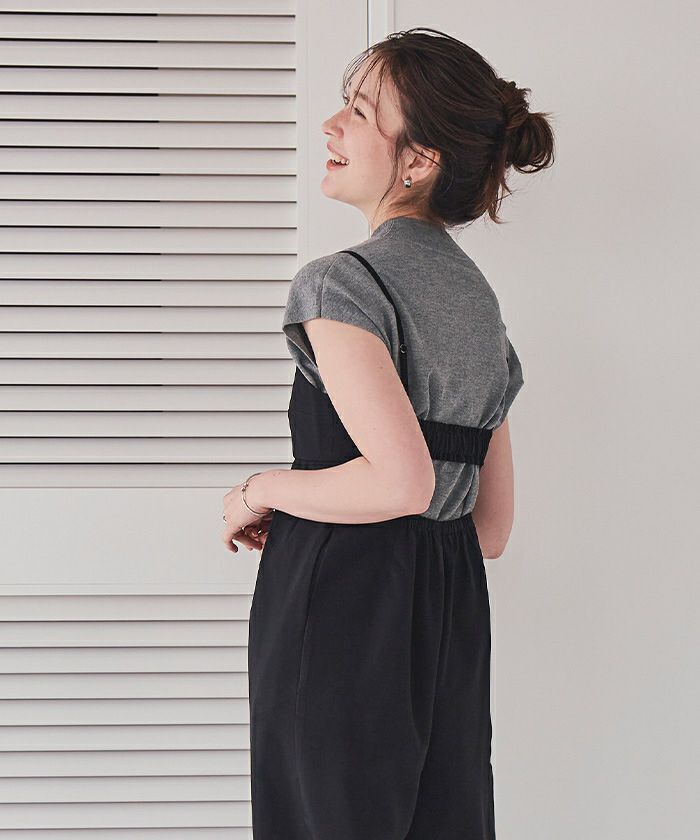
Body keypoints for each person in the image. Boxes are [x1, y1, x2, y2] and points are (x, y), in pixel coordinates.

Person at [222, 27, 555, 840]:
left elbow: (399, 482)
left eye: (361, 112)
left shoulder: (341, 283)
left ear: (420, 161)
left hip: (341, 603)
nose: (331, 125)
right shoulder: (480, 307)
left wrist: (257, 492)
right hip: (448, 607)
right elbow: (488, 527)